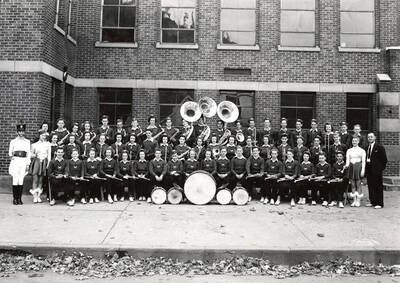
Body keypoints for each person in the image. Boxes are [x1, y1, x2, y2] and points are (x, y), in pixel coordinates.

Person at [8, 122, 31, 205]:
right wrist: (12, 158)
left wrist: (28, 164)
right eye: (19, 131)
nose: (21, 133)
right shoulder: (13, 141)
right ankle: (14, 199)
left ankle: (19, 199)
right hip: (16, 160)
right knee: (15, 179)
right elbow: (10, 153)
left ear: (24, 132)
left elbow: (28, 153)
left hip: (23, 160)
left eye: (22, 131)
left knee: (21, 179)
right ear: (17, 132)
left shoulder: (27, 141)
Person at [365, 132, 387, 209]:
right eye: (368, 137)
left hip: (376, 171)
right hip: (369, 170)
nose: (370, 138)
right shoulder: (367, 147)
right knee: (371, 186)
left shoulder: (379, 147)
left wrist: (380, 169)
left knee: (378, 187)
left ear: (375, 138)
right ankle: (373, 202)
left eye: (371, 137)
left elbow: (384, 160)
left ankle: (379, 203)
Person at [30, 129, 52, 203]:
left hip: (44, 162)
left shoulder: (48, 144)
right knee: (35, 178)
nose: (43, 137)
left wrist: (48, 164)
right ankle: (35, 196)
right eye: (42, 135)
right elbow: (30, 154)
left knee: (41, 179)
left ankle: (38, 196)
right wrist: (34, 155)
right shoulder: (34, 145)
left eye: (45, 135)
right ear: (39, 135)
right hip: (37, 162)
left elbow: (49, 156)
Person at [345, 136, 366, 207]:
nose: (354, 142)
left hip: (358, 167)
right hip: (351, 167)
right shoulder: (349, 150)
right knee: (353, 184)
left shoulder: (362, 150)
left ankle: (358, 201)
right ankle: (354, 200)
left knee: (358, 184)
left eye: (356, 141)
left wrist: (363, 170)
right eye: (353, 141)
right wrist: (346, 166)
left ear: (358, 141)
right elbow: (347, 160)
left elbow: (363, 162)